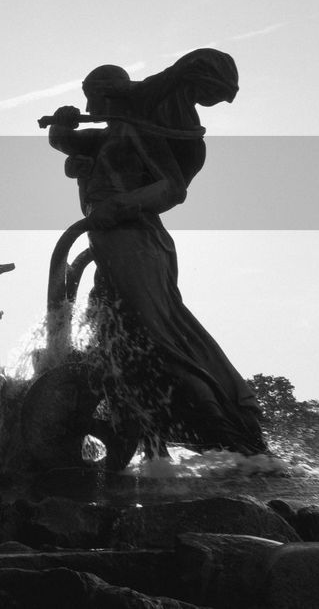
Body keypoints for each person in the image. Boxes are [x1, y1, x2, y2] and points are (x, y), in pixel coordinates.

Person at [47, 50, 266, 458]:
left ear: (110, 96)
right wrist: (61, 125)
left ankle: (222, 424)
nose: (90, 107)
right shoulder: (110, 135)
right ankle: (148, 438)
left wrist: (121, 206)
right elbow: (65, 142)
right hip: (108, 243)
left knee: (156, 331)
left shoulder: (141, 133)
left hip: (136, 241)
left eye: (93, 97)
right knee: (113, 333)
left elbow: (171, 187)